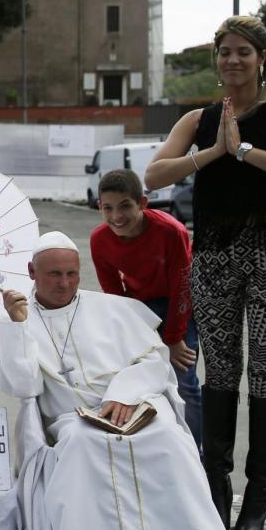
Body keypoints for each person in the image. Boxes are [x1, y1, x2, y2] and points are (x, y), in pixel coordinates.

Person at [0, 232, 236, 530]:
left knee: (169, 442)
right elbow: (23, 388)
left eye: (71, 273)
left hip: (134, 406)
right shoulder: (14, 321)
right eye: (54, 274)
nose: (64, 283)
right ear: (32, 272)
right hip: (72, 420)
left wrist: (123, 394)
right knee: (84, 446)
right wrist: (18, 328)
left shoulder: (113, 309)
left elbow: (154, 360)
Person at [145, 16, 266, 530]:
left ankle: (258, 494)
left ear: (261, 58)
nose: (233, 60)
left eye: (243, 51)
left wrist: (244, 150)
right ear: (216, 59)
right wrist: (216, 151)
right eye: (225, 51)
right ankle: (217, 487)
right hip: (214, 255)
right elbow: (153, 175)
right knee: (219, 373)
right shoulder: (198, 119)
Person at [90, 168, 202, 448]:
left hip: (179, 307)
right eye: (108, 208)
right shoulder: (99, 240)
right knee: (137, 379)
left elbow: (182, 287)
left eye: (125, 206)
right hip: (137, 308)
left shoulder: (171, 231)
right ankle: (153, 450)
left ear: (142, 203)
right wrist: (130, 332)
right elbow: (114, 293)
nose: (117, 216)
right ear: (99, 207)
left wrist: (174, 338)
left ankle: (196, 455)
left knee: (184, 383)